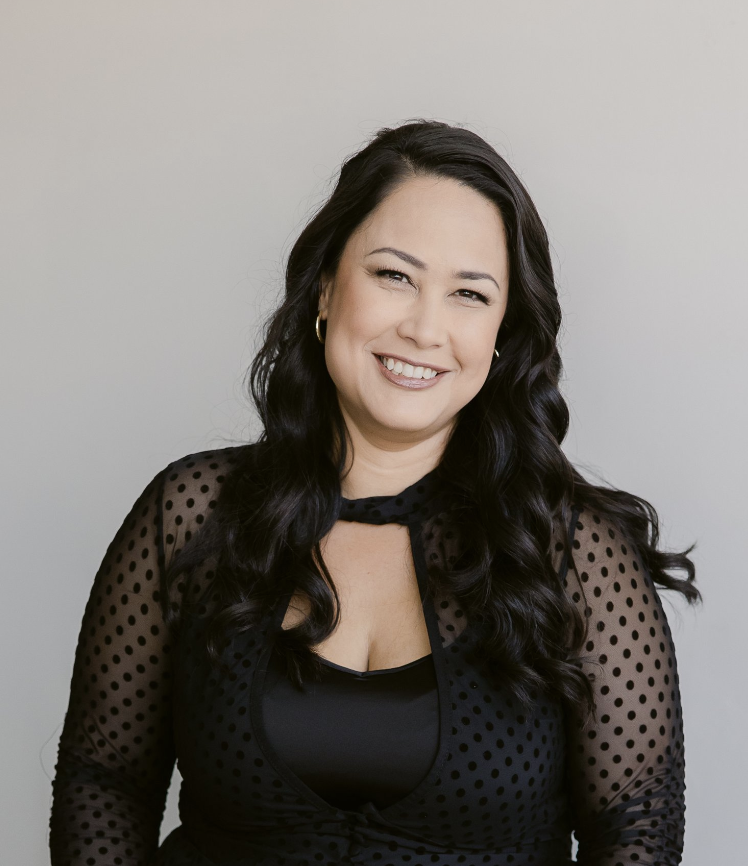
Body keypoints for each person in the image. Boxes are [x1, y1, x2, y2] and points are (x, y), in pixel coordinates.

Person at [49, 119, 700, 866]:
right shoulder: (192, 513)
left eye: (470, 294)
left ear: (501, 333)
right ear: (327, 287)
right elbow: (105, 781)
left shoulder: (571, 551)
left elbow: (638, 828)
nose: (425, 326)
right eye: (395, 276)